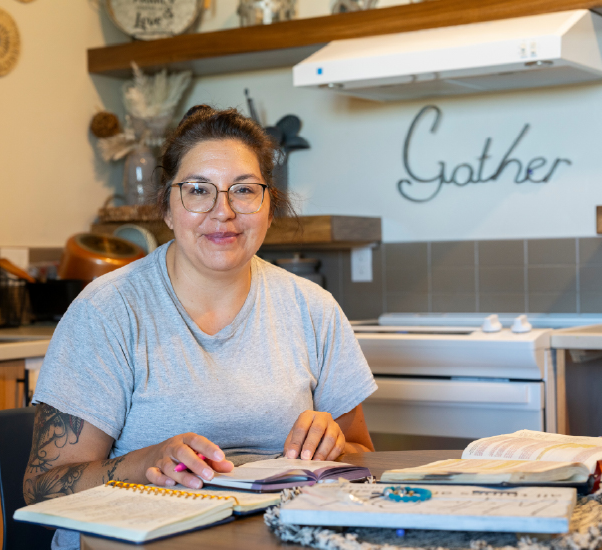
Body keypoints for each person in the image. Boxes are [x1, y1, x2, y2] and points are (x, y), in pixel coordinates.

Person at [25, 105, 378, 549]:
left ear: (270, 208)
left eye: (244, 191)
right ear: (167, 209)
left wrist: (334, 446)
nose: (223, 211)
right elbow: (42, 487)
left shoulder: (313, 308)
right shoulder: (108, 311)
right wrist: (145, 464)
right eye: (198, 190)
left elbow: (363, 454)